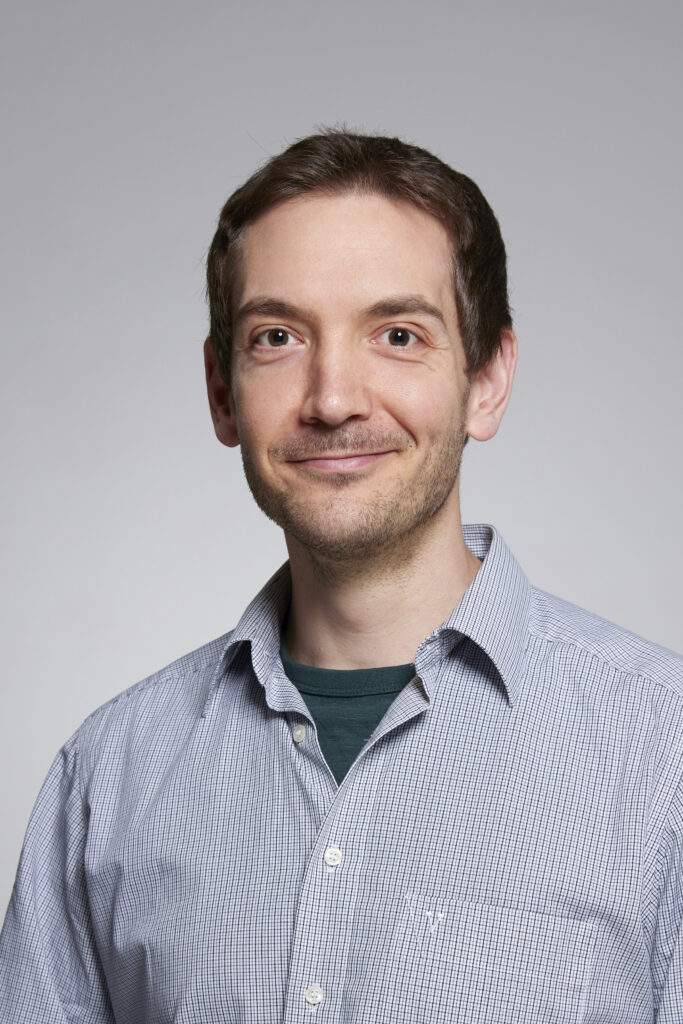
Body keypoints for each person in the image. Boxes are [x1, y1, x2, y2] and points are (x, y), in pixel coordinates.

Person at [1, 129, 681, 1024]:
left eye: (397, 335)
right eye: (277, 337)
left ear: (485, 380)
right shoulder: (110, 773)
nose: (332, 399)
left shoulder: (663, 756)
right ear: (222, 391)